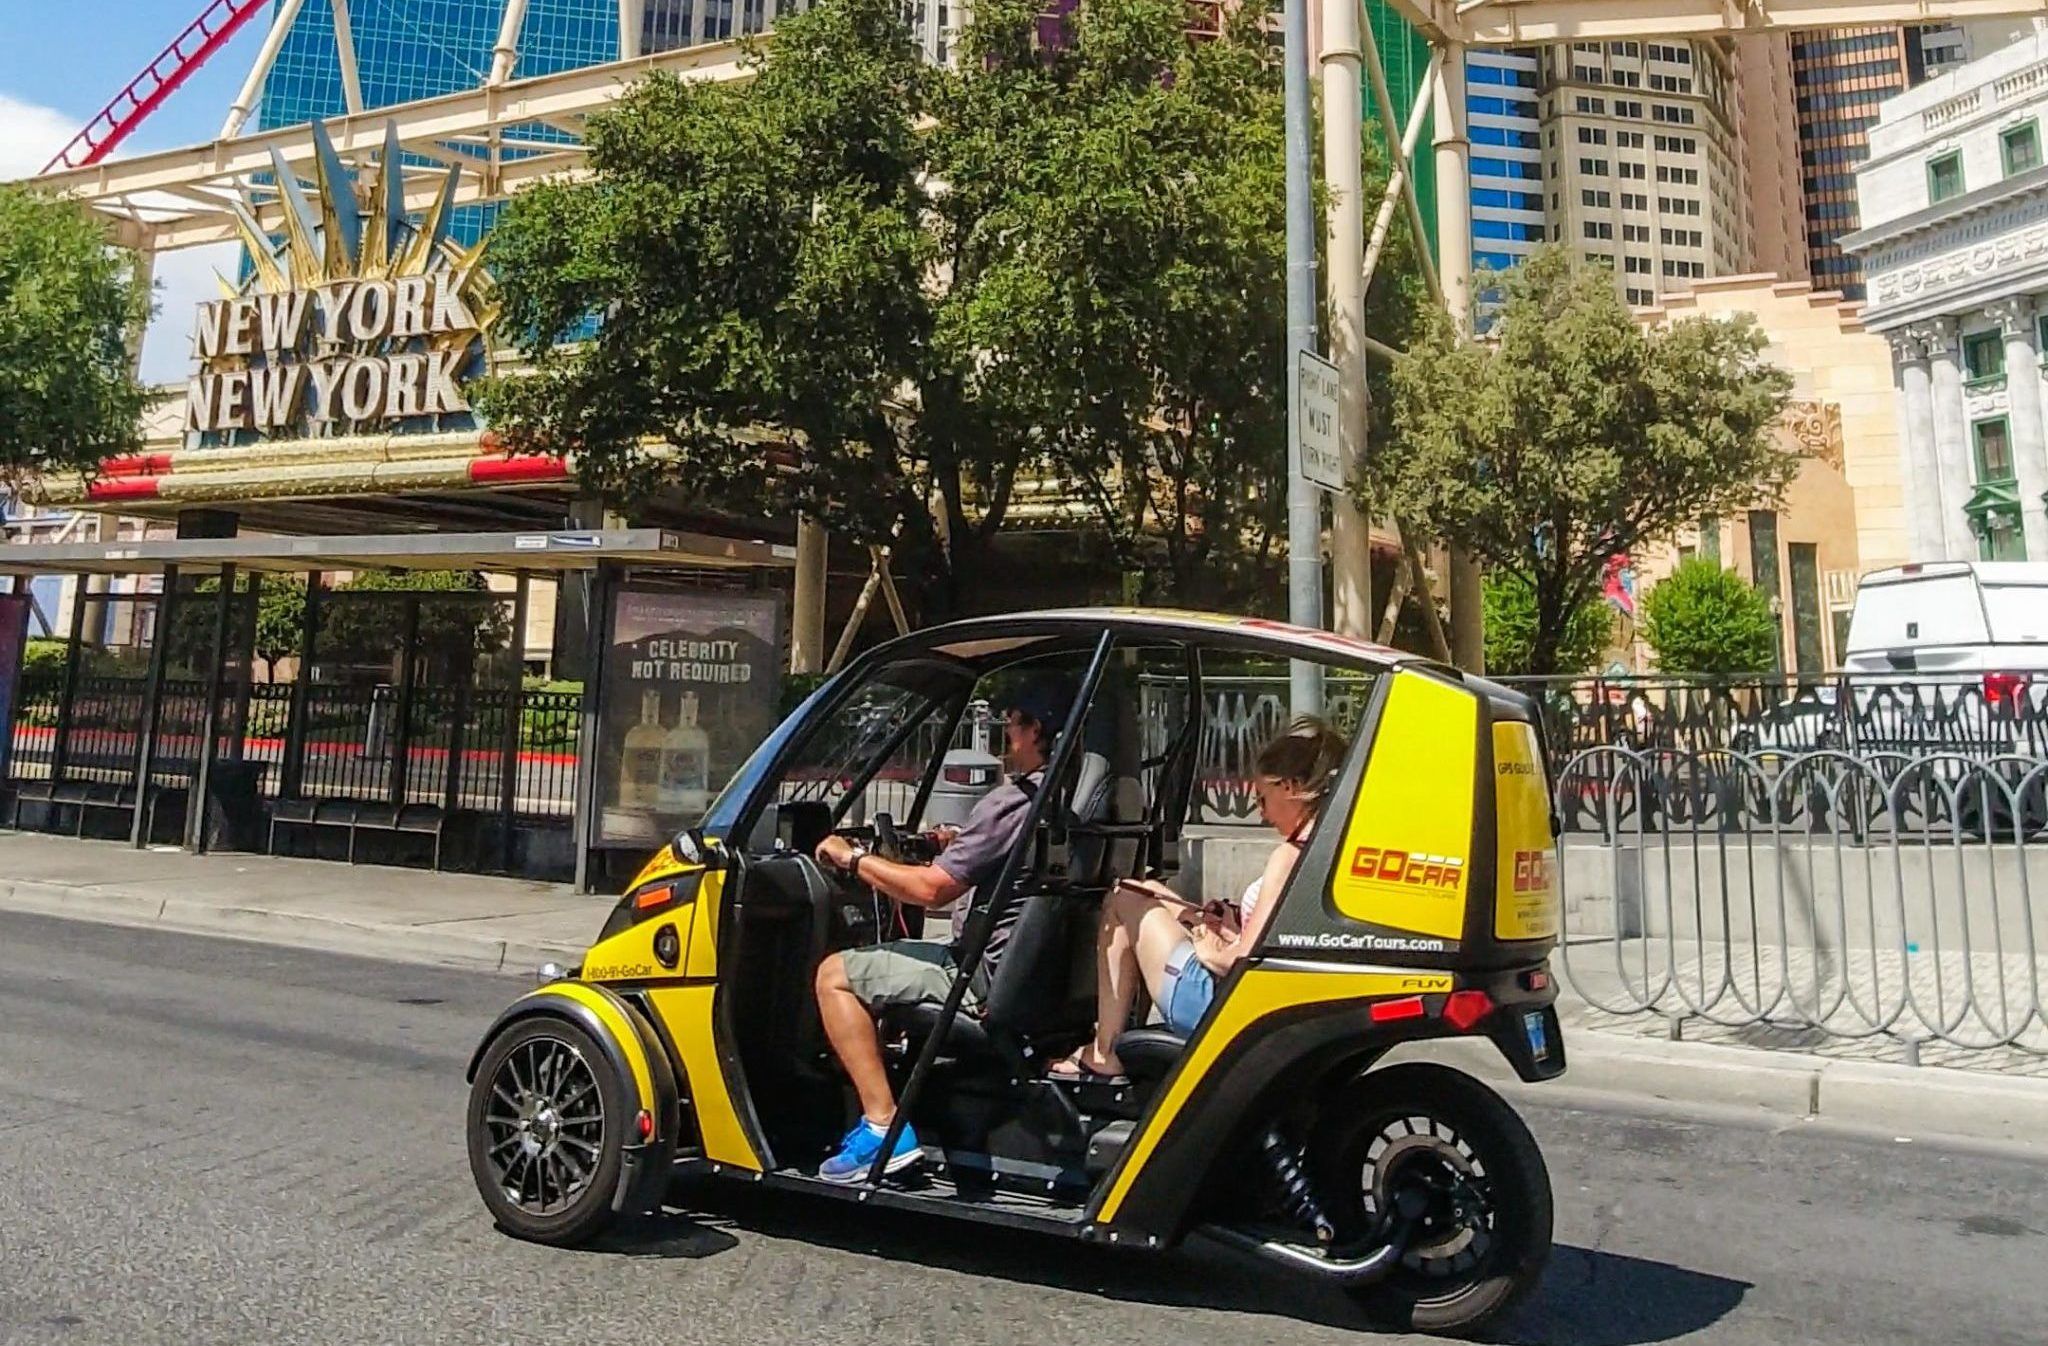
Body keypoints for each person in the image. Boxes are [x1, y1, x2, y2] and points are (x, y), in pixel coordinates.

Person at [809, 679, 1072, 1182]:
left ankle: (881, 1124)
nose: (1005, 738)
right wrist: (955, 843)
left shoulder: (1012, 802)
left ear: (1035, 731)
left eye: (1011, 726)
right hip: (1035, 978)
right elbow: (994, 861)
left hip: (977, 978)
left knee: (834, 975)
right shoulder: (1068, 801)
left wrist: (853, 857)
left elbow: (931, 891)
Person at [1050, 716, 1349, 1081]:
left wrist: (1210, 951)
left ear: (1289, 787)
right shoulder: (1330, 852)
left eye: (1262, 798)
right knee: (1148, 889)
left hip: (1214, 1003)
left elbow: (1245, 961)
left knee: (1123, 897)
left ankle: (1105, 1051)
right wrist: (1230, 924)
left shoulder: (1287, 858)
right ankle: (1119, 1037)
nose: (1261, 813)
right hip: (1255, 1001)